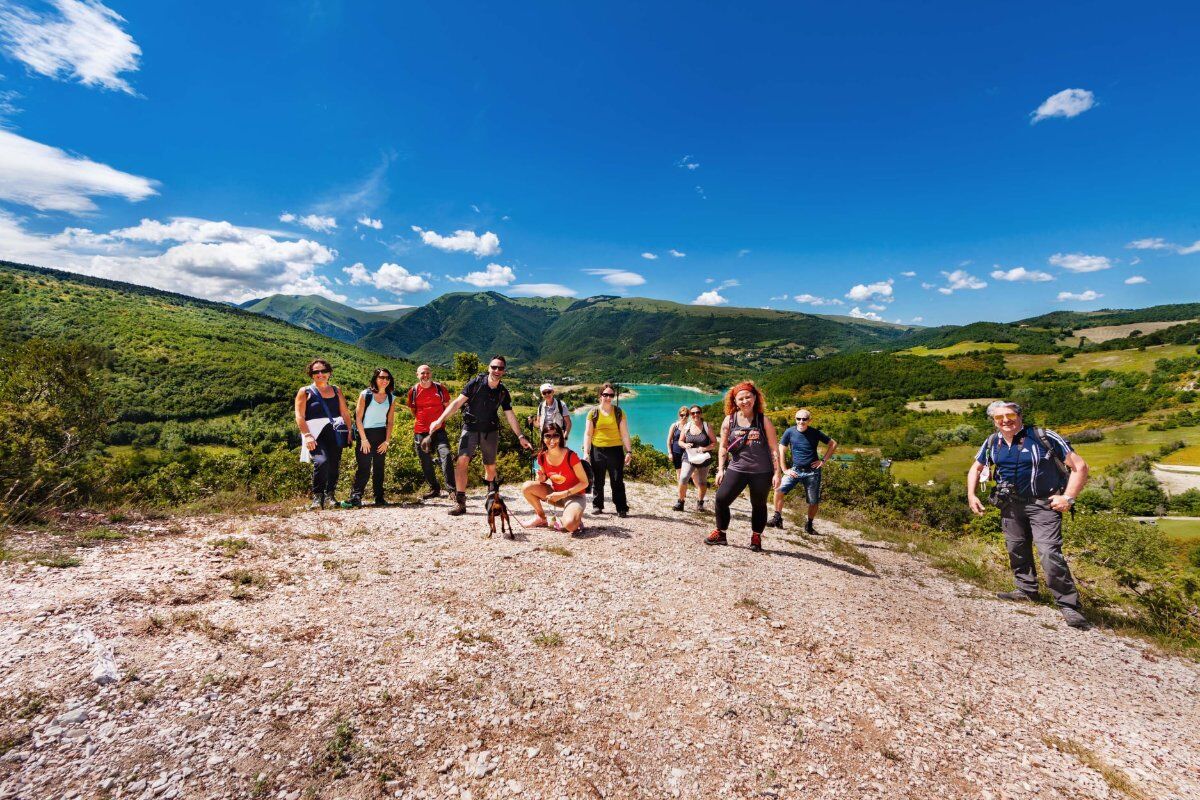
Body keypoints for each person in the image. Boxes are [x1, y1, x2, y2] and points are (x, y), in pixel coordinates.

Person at [966, 401, 1091, 630]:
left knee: (1048, 552)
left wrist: (1068, 498)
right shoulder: (993, 442)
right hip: (1010, 505)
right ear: (994, 421)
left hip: (1044, 504)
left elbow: (1080, 467)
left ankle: (1068, 605)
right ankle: (1026, 590)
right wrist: (972, 495)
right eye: (999, 418)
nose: (1005, 421)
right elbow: (976, 467)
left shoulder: (1043, 436)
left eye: (1010, 415)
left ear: (1020, 416)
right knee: (1016, 548)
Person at [428, 355, 533, 516]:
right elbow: (457, 403)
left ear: (504, 371)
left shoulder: (503, 392)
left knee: (490, 467)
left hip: (490, 430)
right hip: (470, 427)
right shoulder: (476, 383)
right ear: (488, 368)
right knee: (462, 461)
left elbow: (510, 415)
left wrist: (520, 436)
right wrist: (439, 420)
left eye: (500, 368)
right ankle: (460, 503)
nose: (497, 370)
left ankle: (491, 501)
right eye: (494, 367)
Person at [705, 382, 782, 552]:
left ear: (755, 398)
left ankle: (756, 537)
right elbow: (723, 446)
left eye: (748, 397)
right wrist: (721, 469)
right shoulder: (730, 420)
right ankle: (721, 533)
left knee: (758, 504)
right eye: (741, 398)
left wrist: (777, 472)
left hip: (762, 472)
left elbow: (774, 449)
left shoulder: (763, 420)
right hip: (737, 468)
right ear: (735, 401)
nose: (745, 401)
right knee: (721, 499)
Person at [294, 359, 353, 510]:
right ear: (311, 375)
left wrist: (349, 431)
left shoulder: (336, 390)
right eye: (316, 372)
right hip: (314, 433)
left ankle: (330, 496)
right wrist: (307, 435)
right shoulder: (305, 391)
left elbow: (344, 412)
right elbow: (299, 416)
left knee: (334, 463)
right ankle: (317, 497)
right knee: (321, 461)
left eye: (323, 371)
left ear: (329, 373)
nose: (320, 374)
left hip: (335, 431)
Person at [769, 408, 837, 533]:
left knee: (813, 501)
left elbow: (833, 444)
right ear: (795, 419)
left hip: (812, 472)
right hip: (795, 470)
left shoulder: (815, 433)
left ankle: (809, 525)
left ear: (809, 420)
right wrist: (784, 469)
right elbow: (781, 449)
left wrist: (823, 461)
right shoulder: (789, 432)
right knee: (778, 490)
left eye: (804, 419)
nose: (801, 422)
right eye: (798, 419)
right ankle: (777, 517)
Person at [520, 423, 588, 533]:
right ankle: (541, 518)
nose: (552, 440)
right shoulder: (542, 456)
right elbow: (544, 478)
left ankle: (574, 518)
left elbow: (584, 483)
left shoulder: (571, 456)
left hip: (575, 495)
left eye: (556, 435)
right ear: (543, 438)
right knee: (526, 487)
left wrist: (562, 494)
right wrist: (541, 478)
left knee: (570, 526)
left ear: (560, 437)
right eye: (547, 436)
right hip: (555, 495)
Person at [347, 368, 397, 507]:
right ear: (375, 378)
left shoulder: (391, 397)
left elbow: (390, 421)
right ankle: (356, 497)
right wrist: (363, 439)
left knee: (379, 468)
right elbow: (358, 419)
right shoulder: (365, 394)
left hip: (381, 435)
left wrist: (387, 441)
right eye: (381, 377)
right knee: (364, 467)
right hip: (366, 434)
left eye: (387, 378)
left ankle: (379, 498)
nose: (384, 380)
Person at [582, 383, 632, 518]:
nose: (608, 398)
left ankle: (621, 507)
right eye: (605, 395)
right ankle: (597, 506)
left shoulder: (619, 412)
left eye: (611, 395)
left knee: (617, 480)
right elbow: (588, 434)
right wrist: (586, 452)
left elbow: (625, 434)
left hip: (615, 450)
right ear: (600, 396)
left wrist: (628, 451)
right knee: (598, 480)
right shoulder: (593, 413)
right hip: (597, 450)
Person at [407, 364, 455, 500]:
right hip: (420, 431)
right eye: (422, 373)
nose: (425, 376)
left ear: (431, 374)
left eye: (427, 373)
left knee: (446, 456)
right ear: (417, 375)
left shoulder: (440, 388)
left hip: (439, 430)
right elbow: (413, 410)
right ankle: (434, 489)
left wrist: (439, 422)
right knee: (425, 461)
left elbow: (447, 408)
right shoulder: (413, 391)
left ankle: (452, 489)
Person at [674, 405, 716, 511]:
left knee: (702, 482)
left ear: (701, 413)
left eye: (697, 412)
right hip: (689, 457)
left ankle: (700, 502)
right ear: (690, 415)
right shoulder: (687, 426)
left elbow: (714, 443)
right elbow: (680, 441)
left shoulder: (707, 426)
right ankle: (680, 502)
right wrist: (684, 445)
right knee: (683, 478)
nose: (695, 415)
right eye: (693, 413)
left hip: (703, 458)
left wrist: (705, 448)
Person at [666, 406, 688, 480]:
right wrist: (670, 453)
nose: (684, 417)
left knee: (689, 471)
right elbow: (669, 440)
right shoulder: (674, 426)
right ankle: (680, 489)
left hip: (687, 452)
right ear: (679, 415)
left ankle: (684, 487)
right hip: (676, 452)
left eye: (686, 415)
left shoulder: (690, 426)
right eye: (682, 415)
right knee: (679, 471)